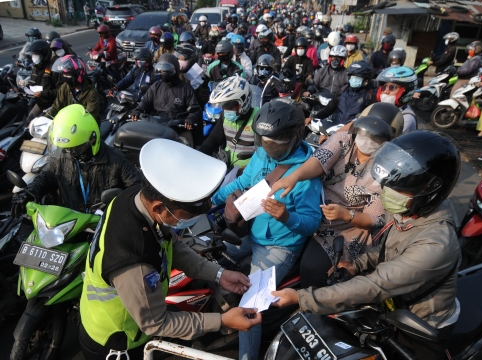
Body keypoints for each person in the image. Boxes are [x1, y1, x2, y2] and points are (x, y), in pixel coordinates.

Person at [272, 130, 462, 360]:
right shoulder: (411, 209)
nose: (386, 193)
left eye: (398, 189)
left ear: (428, 190)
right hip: (392, 305)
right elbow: (387, 250)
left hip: (420, 323)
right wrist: (356, 264)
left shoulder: (436, 244)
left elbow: (376, 284)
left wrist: (302, 298)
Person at [78, 138, 261, 359]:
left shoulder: (135, 197)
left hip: (123, 317)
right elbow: (156, 324)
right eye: (189, 214)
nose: (192, 220)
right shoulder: (135, 260)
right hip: (117, 340)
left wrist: (218, 274)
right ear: (159, 208)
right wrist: (222, 320)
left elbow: (171, 243)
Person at [212, 98, 322, 360]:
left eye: (275, 143)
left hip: (279, 247)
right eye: (265, 141)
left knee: (250, 307)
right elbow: (242, 182)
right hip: (249, 233)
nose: (269, 148)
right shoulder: (261, 155)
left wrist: (286, 216)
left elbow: (311, 223)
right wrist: (208, 201)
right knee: (205, 253)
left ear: (294, 137)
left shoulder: (306, 175)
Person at [271, 104, 404, 287]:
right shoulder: (344, 139)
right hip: (315, 207)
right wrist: (294, 177)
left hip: (347, 226)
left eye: (376, 136)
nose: (366, 139)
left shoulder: (388, 168)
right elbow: (319, 160)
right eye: (364, 131)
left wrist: (346, 215)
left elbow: (374, 218)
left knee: (313, 268)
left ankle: (315, 305)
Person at [11, 104, 141, 217]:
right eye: (67, 148)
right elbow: (46, 177)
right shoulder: (62, 156)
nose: (71, 153)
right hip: (70, 222)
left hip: (103, 225)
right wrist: (29, 193)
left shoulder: (117, 162)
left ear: (92, 140)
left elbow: (137, 189)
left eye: (77, 148)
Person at [132, 54, 201, 147]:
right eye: (162, 71)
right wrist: (138, 110)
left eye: (167, 71)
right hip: (157, 127)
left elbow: (195, 109)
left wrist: (190, 118)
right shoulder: (155, 87)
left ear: (175, 70)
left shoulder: (185, 88)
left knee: (189, 150)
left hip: (179, 129)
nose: (164, 74)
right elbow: (145, 102)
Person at [199, 76, 259, 170]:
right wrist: (199, 154)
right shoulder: (224, 116)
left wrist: (248, 170)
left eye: (229, 106)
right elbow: (214, 138)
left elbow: (264, 154)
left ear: (243, 102)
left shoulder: (258, 118)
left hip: (248, 172)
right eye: (223, 106)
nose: (225, 110)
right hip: (226, 168)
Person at [305, 60, 374, 126]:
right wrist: (313, 118)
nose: (354, 78)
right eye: (352, 76)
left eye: (357, 76)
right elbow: (328, 109)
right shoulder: (342, 90)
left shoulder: (370, 96)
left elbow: (367, 120)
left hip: (352, 133)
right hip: (335, 129)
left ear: (366, 79)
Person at [47, 55, 101, 124]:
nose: (65, 77)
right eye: (64, 74)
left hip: (87, 129)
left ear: (78, 74)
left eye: (68, 74)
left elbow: (90, 117)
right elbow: (56, 107)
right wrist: (44, 119)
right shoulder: (65, 87)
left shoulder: (91, 93)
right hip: (68, 126)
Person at [375, 66, 418, 134]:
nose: (386, 91)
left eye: (392, 87)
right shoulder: (381, 108)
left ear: (406, 91)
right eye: (383, 87)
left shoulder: (406, 118)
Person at [26, 40, 58, 122]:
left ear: (44, 55)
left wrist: (43, 93)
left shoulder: (53, 68)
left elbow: (61, 90)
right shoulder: (36, 68)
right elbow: (33, 84)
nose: (34, 57)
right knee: (29, 121)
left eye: (37, 55)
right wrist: (22, 88)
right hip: (41, 103)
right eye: (33, 54)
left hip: (53, 104)